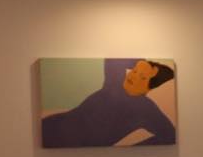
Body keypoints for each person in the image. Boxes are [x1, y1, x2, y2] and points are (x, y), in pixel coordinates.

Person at [41, 58, 176, 147]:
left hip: (66, 146)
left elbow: (170, 136)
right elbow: (114, 60)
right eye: (135, 70)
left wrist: (133, 150)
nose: (133, 76)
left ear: (151, 87)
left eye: (142, 77)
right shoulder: (115, 84)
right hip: (51, 127)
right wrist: (143, 62)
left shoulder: (146, 109)